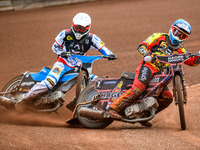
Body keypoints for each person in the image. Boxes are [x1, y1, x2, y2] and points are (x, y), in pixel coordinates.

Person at [106, 19, 200, 126]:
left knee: (168, 97)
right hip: (148, 66)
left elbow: (191, 61)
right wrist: (146, 55)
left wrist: (199, 57)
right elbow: (142, 45)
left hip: (161, 75)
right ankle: (112, 108)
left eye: (182, 36)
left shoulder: (180, 49)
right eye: (177, 33)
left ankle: (144, 116)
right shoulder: (159, 37)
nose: (178, 37)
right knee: (138, 89)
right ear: (172, 29)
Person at [16, 12, 117, 112]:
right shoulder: (64, 33)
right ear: (73, 25)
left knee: (96, 82)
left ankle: (76, 102)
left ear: (87, 28)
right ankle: (25, 100)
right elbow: (54, 47)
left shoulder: (92, 38)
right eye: (77, 27)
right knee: (50, 82)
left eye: (82, 29)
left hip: (79, 67)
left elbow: (103, 48)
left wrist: (109, 55)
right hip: (62, 64)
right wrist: (61, 52)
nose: (78, 31)